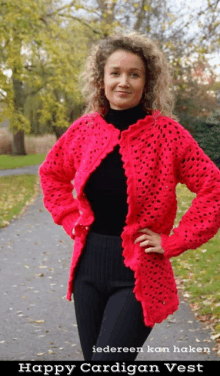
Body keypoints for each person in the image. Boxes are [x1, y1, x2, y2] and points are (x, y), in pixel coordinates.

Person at [39, 31, 220, 361]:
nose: (124, 82)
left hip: (139, 272)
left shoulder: (168, 134)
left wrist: (176, 240)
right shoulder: (84, 130)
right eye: (115, 73)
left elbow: (213, 188)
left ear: (146, 82)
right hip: (88, 270)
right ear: (101, 79)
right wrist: (69, 217)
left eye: (134, 74)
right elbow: (51, 173)